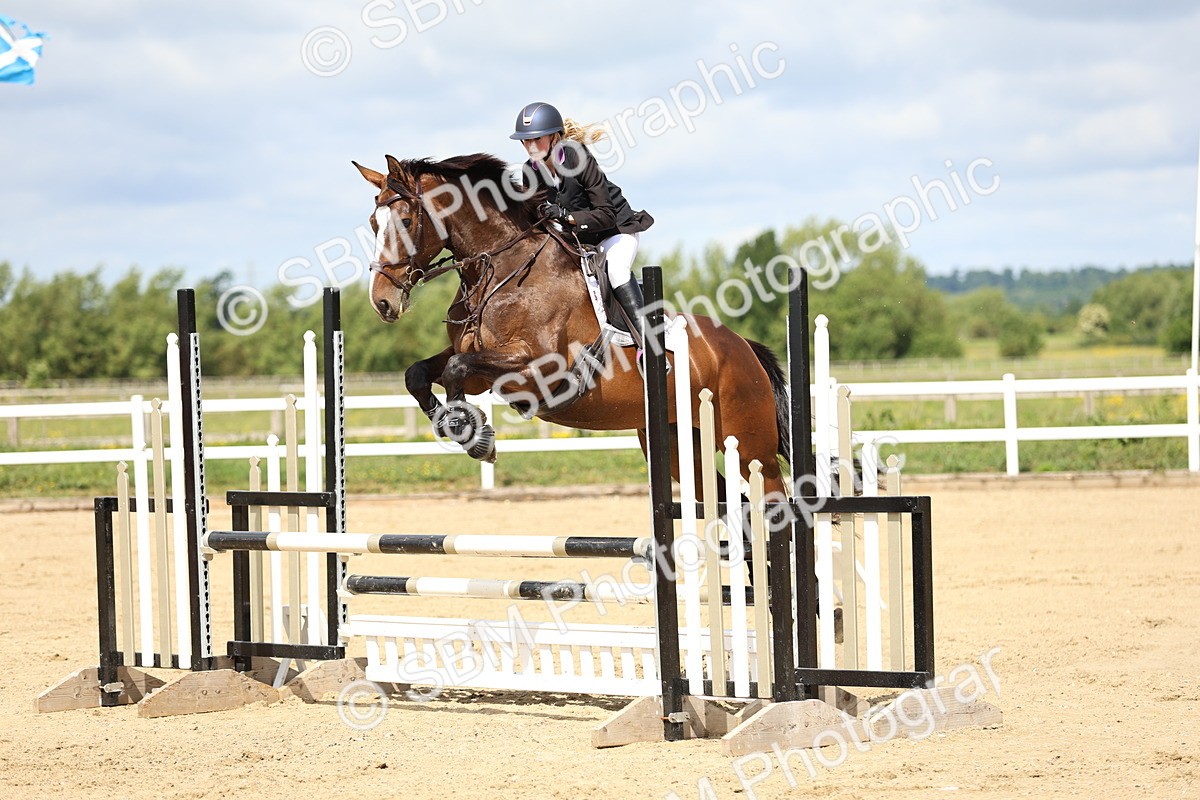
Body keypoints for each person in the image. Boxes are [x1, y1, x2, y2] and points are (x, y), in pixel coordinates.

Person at [510, 101, 656, 358]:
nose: (530, 147)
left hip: (614, 231)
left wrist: (567, 217)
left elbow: (606, 214)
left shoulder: (576, 156)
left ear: (555, 137)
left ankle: (649, 346)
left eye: (537, 139)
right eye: (525, 141)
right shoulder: (529, 172)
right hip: (577, 240)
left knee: (617, 271)